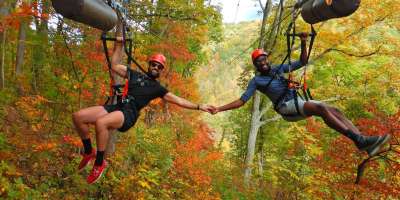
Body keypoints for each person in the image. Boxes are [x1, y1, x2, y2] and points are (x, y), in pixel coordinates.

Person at [210, 33, 390, 158]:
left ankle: (363, 141)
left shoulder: (278, 69)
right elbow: (241, 101)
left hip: (297, 101)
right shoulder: (256, 81)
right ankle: (359, 140)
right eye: (259, 61)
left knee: (334, 109)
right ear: (256, 65)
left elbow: (303, 61)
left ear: (267, 60)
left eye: (264, 59)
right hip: (286, 108)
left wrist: (303, 41)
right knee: (320, 108)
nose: (263, 62)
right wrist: (219, 108)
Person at [72, 33, 214, 184]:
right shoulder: (134, 74)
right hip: (117, 106)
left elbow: (178, 100)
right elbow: (114, 65)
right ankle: (88, 152)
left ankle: (99, 163)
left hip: (129, 113)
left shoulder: (157, 88)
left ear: (161, 71)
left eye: (159, 67)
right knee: (78, 116)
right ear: (150, 64)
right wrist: (119, 45)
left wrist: (199, 106)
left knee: (101, 123)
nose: (156, 67)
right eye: (154, 64)